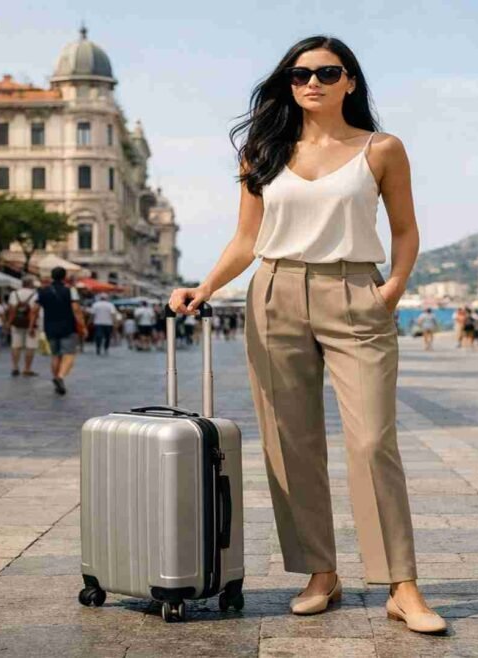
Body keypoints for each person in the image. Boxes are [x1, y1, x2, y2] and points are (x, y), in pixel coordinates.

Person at [166, 36, 444, 633]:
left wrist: (393, 288)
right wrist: (206, 287)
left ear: (350, 81)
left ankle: (402, 586)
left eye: (327, 72)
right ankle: (321, 573)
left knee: (372, 440)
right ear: (288, 84)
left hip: (355, 291)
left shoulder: (381, 148)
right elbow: (246, 239)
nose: (311, 82)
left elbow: (405, 229)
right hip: (275, 293)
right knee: (290, 442)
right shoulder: (263, 150)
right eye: (299, 74)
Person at [33, 266, 82, 395]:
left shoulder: (42, 291)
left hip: (49, 327)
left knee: (55, 355)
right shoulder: (70, 290)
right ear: (64, 277)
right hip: (68, 326)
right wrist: (82, 325)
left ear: (52, 276)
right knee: (69, 354)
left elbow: (35, 309)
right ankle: (60, 377)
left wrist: (32, 325)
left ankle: (56, 379)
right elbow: (76, 309)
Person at [6, 277, 40, 376]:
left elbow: (11, 310)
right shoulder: (36, 294)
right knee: (30, 346)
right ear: (31, 284)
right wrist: (31, 326)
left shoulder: (14, 294)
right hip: (31, 324)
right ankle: (27, 368)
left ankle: (15, 367)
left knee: (16, 345)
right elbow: (35, 311)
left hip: (16, 323)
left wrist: (8, 323)